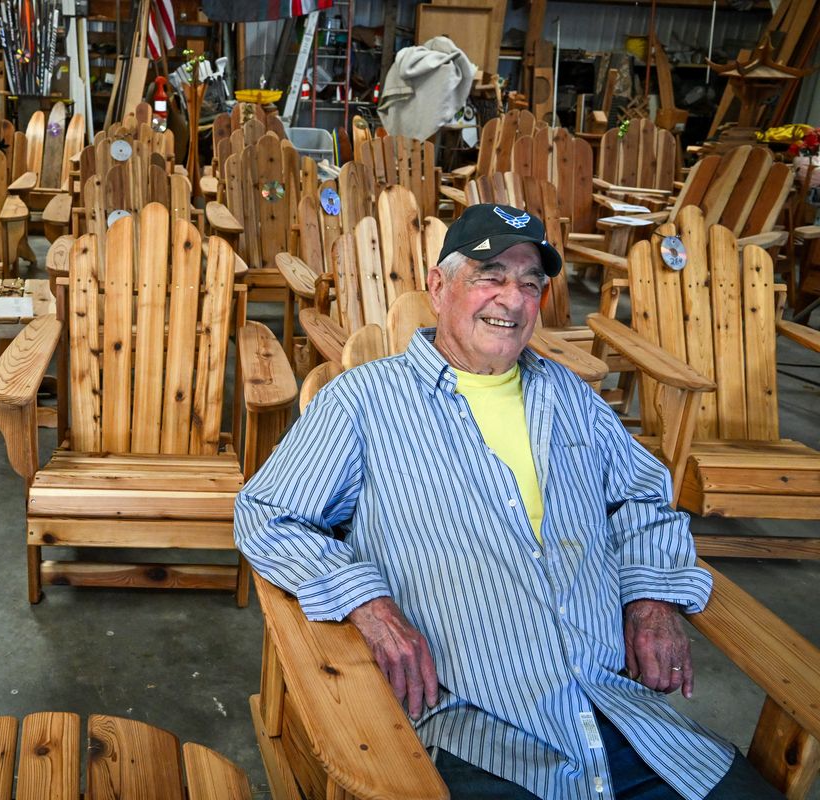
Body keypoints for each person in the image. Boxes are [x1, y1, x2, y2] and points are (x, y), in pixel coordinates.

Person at [234, 204, 782, 800]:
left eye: (530, 284)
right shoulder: (365, 402)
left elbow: (643, 495)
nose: (513, 300)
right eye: (490, 276)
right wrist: (367, 602)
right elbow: (267, 514)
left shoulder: (571, 397)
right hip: (480, 735)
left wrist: (653, 602)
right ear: (439, 287)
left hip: (624, 719)